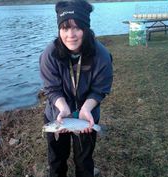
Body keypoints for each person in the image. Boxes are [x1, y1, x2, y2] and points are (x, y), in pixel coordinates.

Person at [39, 0, 113, 176]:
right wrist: (62, 108)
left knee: (84, 161)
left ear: (86, 29)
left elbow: (100, 89)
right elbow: (51, 89)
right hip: (57, 115)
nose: (70, 35)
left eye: (77, 28)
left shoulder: (101, 55)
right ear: (59, 30)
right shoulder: (49, 54)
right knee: (56, 160)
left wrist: (87, 109)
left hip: (87, 118)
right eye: (64, 28)